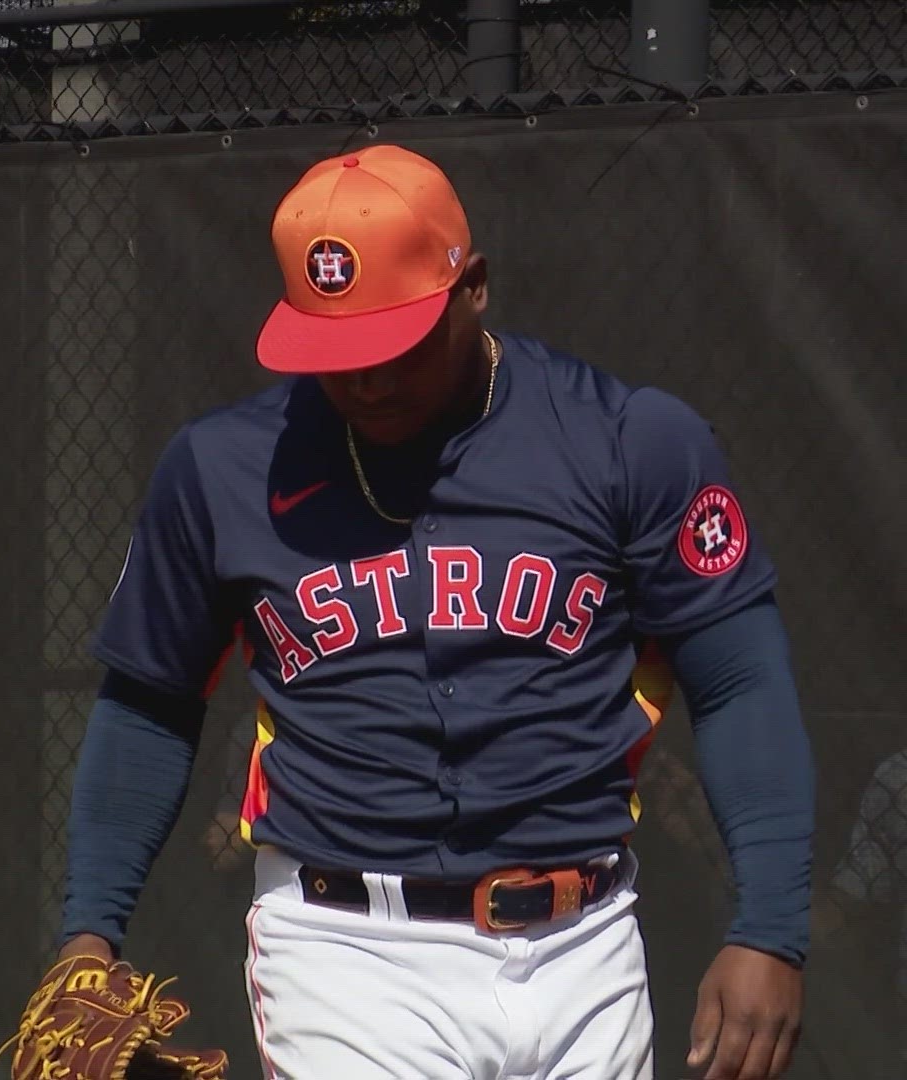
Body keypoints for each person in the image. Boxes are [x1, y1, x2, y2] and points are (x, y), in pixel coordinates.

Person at [49, 144, 816, 1079]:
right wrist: (91, 933)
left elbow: (739, 678)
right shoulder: (223, 468)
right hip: (346, 951)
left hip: (586, 947)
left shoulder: (629, 441)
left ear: (475, 289)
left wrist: (772, 929)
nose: (365, 381)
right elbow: (148, 700)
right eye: (335, 354)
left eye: (390, 345)